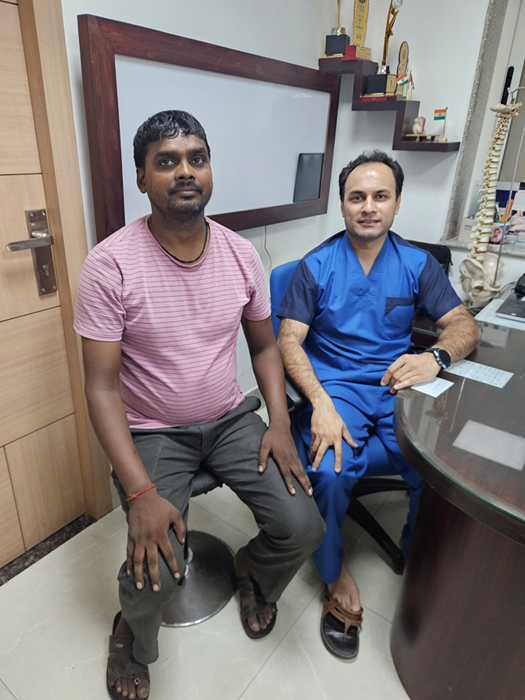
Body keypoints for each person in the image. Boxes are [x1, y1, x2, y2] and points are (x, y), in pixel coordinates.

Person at [74, 110, 325, 700]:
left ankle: (252, 570)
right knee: (155, 571)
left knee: (302, 527)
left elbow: (263, 346)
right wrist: (140, 492)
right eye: (167, 161)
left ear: (210, 170)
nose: (185, 171)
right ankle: (133, 636)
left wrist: (279, 422)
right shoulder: (110, 265)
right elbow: (101, 388)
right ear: (142, 178)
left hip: (231, 418)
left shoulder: (240, 255)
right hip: (153, 429)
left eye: (197, 159)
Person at [277, 149, 481, 661]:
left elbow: (465, 325)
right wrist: (320, 403)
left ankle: (420, 559)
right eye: (357, 197)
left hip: (396, 386)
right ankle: (332, 573)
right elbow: (288, 340)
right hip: (336, 387)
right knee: (330, 472)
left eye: (380, 196)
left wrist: (435, 357)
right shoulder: (316, 265)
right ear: (343, 205)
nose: (368, 207)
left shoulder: (417, 264)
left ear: (396, 203)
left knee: (438, 467)